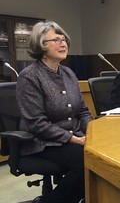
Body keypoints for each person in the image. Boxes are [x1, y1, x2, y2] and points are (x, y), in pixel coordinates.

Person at [16, 21, 93, 203]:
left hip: (75, 137)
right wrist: (73, 138)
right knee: (88, 162)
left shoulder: (68, 73)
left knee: (103, 157)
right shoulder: (29, 76)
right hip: (42, 142)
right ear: (41, 45)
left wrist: (92, 131)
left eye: (64, 39)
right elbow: (37, 123)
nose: (63, 43)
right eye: (56, 40)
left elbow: (82, 111)